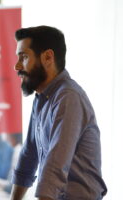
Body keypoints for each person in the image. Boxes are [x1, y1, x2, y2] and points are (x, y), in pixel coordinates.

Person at [10, 26, 107, 200]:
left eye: (23, 57)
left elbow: (54, 167)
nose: (17, 66)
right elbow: (29, 155)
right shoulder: (41, 97)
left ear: (48, 57)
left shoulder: (68, 98)